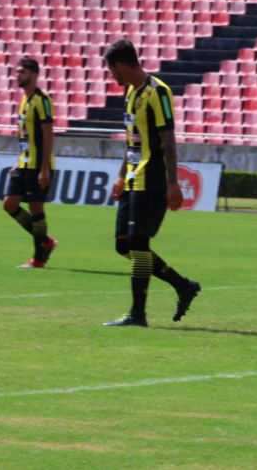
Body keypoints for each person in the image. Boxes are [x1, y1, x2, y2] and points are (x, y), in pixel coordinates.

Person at [100, 40, 201, 327]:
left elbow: (168, 140)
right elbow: (132, 142)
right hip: (133, 178)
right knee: (124, 245)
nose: (111, 76)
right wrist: (121, 174)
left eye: (110, 70)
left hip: (152, 177)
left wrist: (173, 183)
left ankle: (138, 314)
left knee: (138, 243)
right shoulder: (131, 95)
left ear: (119, 65)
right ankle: (183, 285)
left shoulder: (159, 92)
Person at [2, 57, 58, 268]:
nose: (18, 75)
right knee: (9, 204)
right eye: (17, 72)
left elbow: (47, 135)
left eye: (22, 72)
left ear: (34, 75)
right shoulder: (25, 100)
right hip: (25, 164)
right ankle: (45, 241)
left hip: (38, 166)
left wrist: (44, 169)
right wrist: (19, 163)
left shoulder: (42, 100)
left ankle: (39, 258)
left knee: (36, 209)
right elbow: (26, 137)